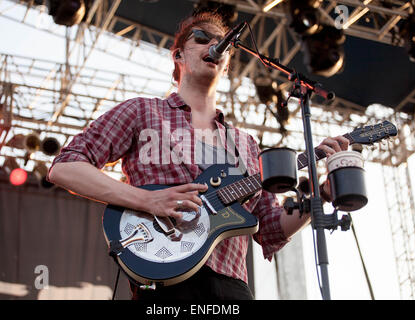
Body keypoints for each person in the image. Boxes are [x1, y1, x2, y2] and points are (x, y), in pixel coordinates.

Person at [48, 12, 349, 300]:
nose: (214, 45)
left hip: (231, 285)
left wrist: (320, 195)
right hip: (163, 279)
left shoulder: (246, 145)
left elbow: (270, 228)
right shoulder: (142, 111)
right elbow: (65, 167)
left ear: (228, 64)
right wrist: (148, 199)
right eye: (202, 38)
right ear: (178, 55)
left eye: (222, 43)